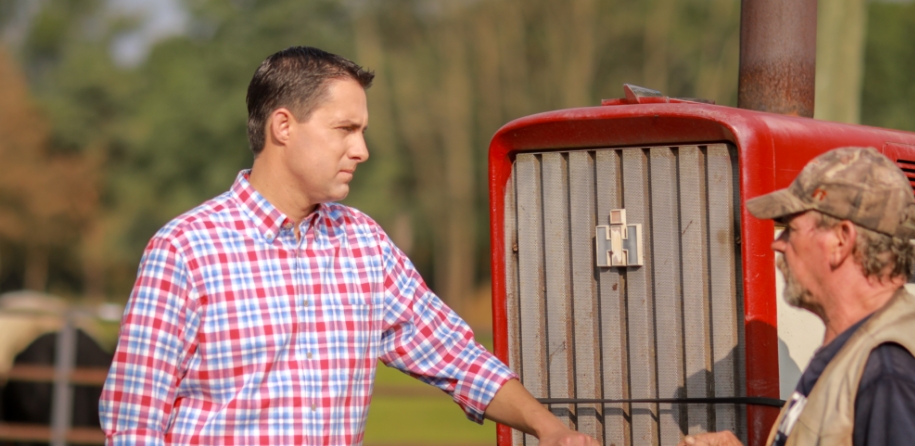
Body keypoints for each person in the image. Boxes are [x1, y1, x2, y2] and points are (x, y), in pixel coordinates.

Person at [99, 46, 598, 446]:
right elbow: (134, 422)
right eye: (345, 129)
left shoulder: (363, 243)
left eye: (362, 131)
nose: (361, 150)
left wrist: (550, 429)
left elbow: (456, 356)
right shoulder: (185, 248)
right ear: (284, 126)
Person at [679, 147, 915, 446]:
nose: (778, 244)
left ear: (841, 240)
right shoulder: (860, 349)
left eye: (791, 229)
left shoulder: (889, 374)